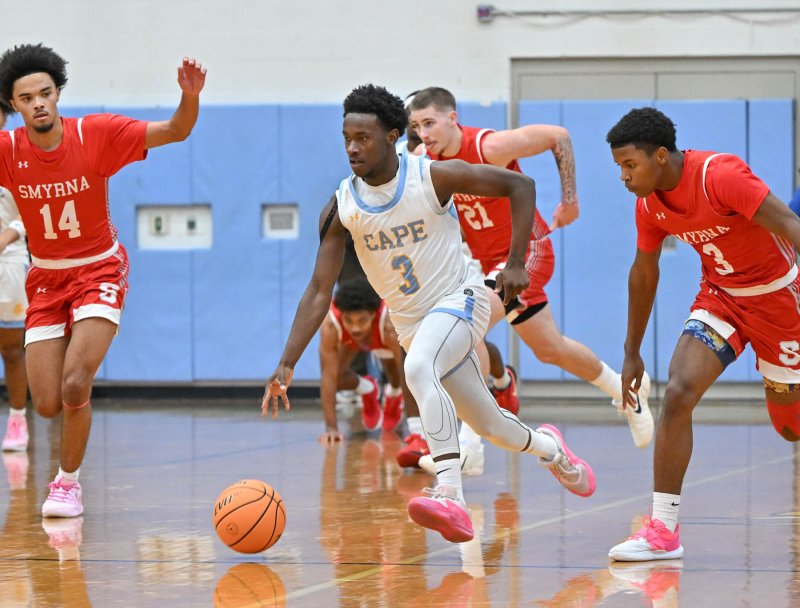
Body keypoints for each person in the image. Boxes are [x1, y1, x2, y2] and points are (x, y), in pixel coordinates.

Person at [262, 83, 595, 543]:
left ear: (394, 135)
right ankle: (554, 450)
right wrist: (286, 361)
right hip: (414, 323)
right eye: (347, 138)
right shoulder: (343, 206)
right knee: (490, 426)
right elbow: (320, 290)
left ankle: (450, 496)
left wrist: (516, 262)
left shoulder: (431, 177)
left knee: (418, 368)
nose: (353, 148)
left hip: (462, 299)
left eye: (364, 138)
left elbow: (521, 185)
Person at [0, 43, 207, 518]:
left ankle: (67, 484)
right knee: (48, 403)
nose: (38, 103)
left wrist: (189, 97)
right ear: (15, 105)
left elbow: (177, 130)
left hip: (98, 268)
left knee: (76, 383)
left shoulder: (95, 133)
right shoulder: (9, 151)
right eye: (27, 97)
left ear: (57, 94)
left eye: (45, 93)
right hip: (46, 280)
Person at [408, 87, 654, 453]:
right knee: (551, 349)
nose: (424, 133)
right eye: (417, 125)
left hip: (525, 255)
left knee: (466, 324)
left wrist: (570, 200)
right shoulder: (423, 158)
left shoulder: (488, 147)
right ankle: (626, 389)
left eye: (430, 123)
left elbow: (559, 136)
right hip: (485, 264)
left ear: (452, 118)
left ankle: (469, 445)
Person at [605, 107, 800, 561]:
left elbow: (790, 225)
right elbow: (643, 273)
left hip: (780, 300)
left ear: (659, 156)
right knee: (678, 391)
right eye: (619, 167)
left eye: (629, 165)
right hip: (722, 299)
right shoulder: (649, 205)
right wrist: (632, 352)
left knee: (790, 428)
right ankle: (662, 531)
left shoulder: (720, 174)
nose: (624, 176)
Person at [319, 276, 420, 443]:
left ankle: (394, 394)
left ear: (373, 315)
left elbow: (409, 373)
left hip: (384, 340)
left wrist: (416, 427)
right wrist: (331, 428)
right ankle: (367, 389)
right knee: (335, 377)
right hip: (351, 344)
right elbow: (327, 377)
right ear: (341, 315)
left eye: (362, 320)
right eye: (348, 321)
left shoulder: (388, 324)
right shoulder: (330, 324)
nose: (355, 328)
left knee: (398, 375)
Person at [0, 103, 30, 453]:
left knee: (11, 349)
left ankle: (18, 418)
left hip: (9, 260)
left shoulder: (17, 154)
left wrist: (10, 233)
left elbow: (30, 210)